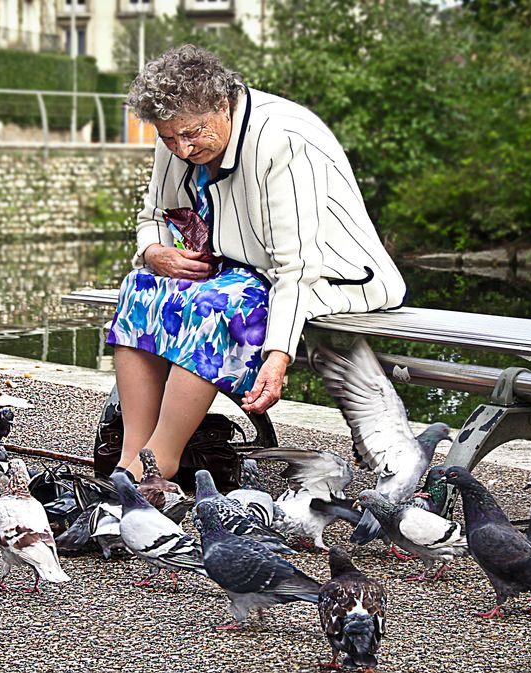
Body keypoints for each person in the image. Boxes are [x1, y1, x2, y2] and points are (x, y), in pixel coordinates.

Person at [109, 45, 406, 480]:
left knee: (217, 306)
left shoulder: (281, 139)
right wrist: (156, 252)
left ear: (222, 105)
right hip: (244, 269)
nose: (182, 148)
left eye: (192, 134)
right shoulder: (177, 132)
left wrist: (278, 354)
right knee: (142, 288)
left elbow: (297, 267)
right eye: (170, 138)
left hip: (336, 275)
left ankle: (161, 462)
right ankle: (129, 460)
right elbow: (154, 216)